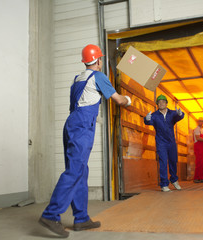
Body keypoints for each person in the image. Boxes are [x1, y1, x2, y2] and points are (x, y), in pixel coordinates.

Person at [38, 44, 131, 238]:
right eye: (100, 59)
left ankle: (81, 219)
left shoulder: (77, 78)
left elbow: (78, 104)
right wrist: (129, 100)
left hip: (71, 124)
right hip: (81, 128)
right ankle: (50, 215)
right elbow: (119, 100)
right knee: (75, 170)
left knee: (81, 170)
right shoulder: (98, 77)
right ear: (98, 60)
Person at [144, 94, 185, 192]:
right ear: (157, 104)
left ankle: (174, 180)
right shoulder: (154, 115)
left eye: (163, 101)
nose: (161, 103)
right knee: (163, 162)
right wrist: (147, 119)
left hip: (171, 142)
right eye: (159, 102)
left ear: (166, 103)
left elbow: (180, 116)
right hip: (161, 143)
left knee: (173, 161)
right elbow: (147, 122)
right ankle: (164, 184)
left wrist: (180, 114)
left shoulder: (172, 113)